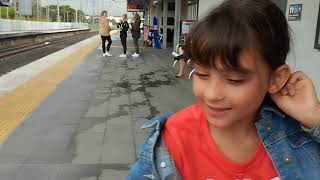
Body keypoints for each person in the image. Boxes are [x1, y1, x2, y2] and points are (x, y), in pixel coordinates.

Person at [127, 0, 320, 179]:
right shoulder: (171, 142)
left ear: (276, 79)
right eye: (201, 74)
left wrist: (314, 117)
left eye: (234, 79)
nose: (212, 94)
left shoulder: (299, 137)